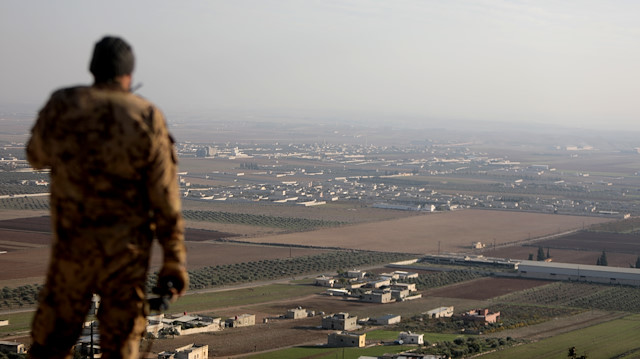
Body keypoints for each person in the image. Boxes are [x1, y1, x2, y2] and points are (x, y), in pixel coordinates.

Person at [26, 36, 188, 359]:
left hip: (72, 255)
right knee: (121, 349)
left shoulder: (64, 105)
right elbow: (166, 202)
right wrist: (174, 262)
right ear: (128, 76)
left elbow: (35, 155)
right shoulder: (146, 116)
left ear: (93, 69)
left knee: (50, 346)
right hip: (124, 262)